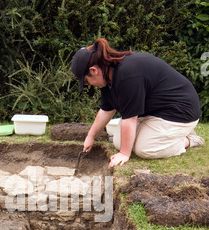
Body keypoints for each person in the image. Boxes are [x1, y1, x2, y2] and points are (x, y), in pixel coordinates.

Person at [71, 38, 204, 168]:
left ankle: (189, 140)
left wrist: (124, 153)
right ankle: (172, 133)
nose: (90, 85)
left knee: (145, 149)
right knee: (119, 141)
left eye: (87, 82)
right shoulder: (108, 78)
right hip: (153, 112)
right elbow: (106, 109)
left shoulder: (128, 74)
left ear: (94, 71)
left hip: (180, 111)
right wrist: (91, 136)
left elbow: (130, 119)